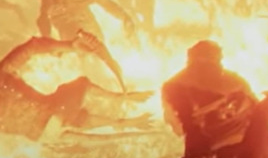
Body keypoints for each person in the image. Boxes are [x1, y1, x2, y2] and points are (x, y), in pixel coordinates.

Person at [0, 31, 153, 142]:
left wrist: (71, 45)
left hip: (43, 134)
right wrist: (70, 46)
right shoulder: (3, 72)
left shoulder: (3, 73)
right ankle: (120, 104)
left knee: (80, 117)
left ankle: (121, 118)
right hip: (52, 116)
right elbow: (33, 46)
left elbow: (33, 46)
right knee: (81, 86)